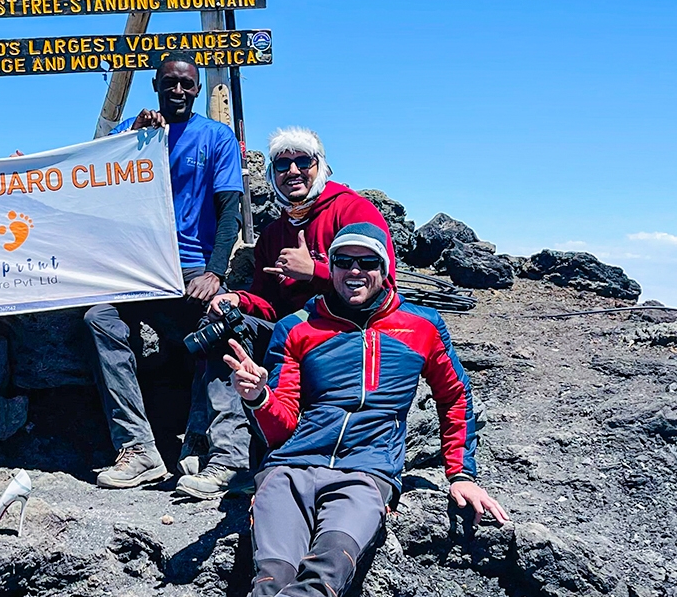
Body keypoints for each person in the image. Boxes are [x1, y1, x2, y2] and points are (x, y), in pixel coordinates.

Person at [225, 223, 508, 597]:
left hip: (366, 473)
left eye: (367, 262)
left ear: (385, 267)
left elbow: (455, 396)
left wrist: (461, 474)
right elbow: (282, 428)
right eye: (344, 261)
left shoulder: (422, 326)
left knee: (324, 574)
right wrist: (259, 397)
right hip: (288, 470)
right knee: (271, 580)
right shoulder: (296, 327)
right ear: (331, 267)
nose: (355, 271)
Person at [84, 53, 251, 499]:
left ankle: (218, 451)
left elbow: (230, 207)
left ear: (198, 90)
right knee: (99, 318)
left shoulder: (216, 137)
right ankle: (139, 450)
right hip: (137, 267)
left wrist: (216, 272)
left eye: (187, 84)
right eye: (170, 83)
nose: (178, 91)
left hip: (192, 265)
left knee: (220, 327)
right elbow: (89, 184)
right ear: (155, 85)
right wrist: (135, 137)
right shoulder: (131, 134)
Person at [209, 126, 394, 338]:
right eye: (282, 164)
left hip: (351, 331)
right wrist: (238, 300)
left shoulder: (354, 211)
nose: (294, 171)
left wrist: (313, 271)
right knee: (217, 331)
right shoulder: (272, 236)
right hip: (291, 334)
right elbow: (269, 305)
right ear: (272, 173)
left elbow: (384, 288)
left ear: (321, 168)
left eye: (304, 161)